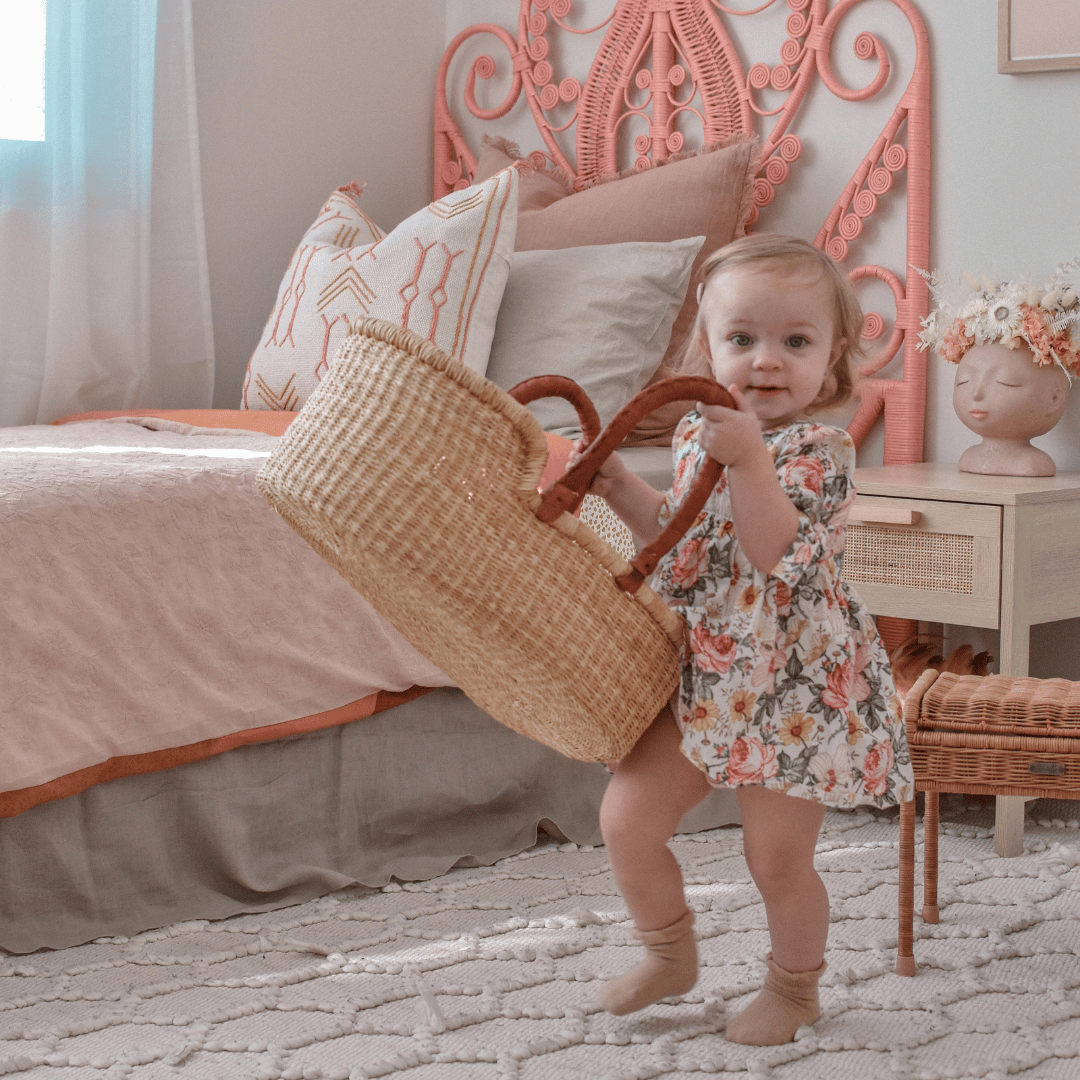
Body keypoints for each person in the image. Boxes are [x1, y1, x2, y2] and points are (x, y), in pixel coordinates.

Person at [581, 233, 915, 1045]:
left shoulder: (820, 451)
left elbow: (775, 551)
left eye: (795, 342)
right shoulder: (700, 439)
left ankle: (796, 988)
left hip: (794, 693)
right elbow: (682, 550)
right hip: (711, 677)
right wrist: (622, 485)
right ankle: (670, 951)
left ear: (833, 361)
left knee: (776, 860)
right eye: (741, 339)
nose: (766, 361)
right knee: (626, 818)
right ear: (708, 349)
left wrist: (751, 466)